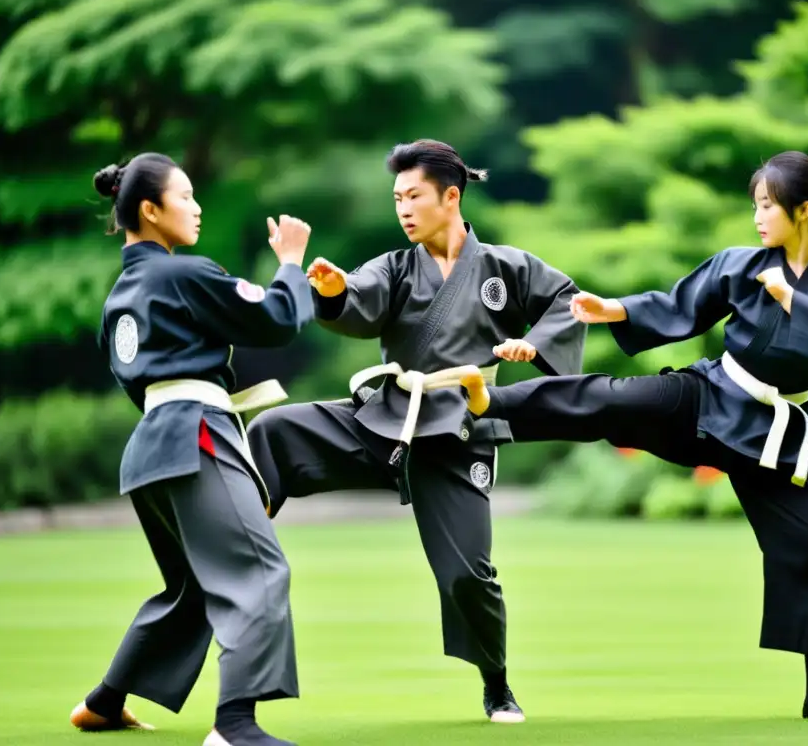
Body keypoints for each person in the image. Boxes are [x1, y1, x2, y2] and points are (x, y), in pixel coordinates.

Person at [459, 151, 808, 722]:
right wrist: (613, 310)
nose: (757, 217)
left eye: (767, 207)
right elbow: (684, 303)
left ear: (804, 211)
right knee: (607, 399)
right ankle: (485, 408)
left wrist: (790, 299)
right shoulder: (742, 263)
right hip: (711, 398)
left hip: (775, 436)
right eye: (754, 205)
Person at [246, 139, 587, 724]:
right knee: (278, 428)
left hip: (457, 432)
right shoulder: (394, 266)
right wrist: (331, 291)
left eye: (414, 196)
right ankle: (245, 525)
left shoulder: (506, 267)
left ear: (450, 197)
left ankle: (497, 685)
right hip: (388, 419)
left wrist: (535, 342)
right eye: (397, 198)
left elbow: (567, 299)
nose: (403, 209)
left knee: (466, 576)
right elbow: (358, 299)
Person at [68, 152, 316, 746]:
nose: (197, 207)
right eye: (185, 197)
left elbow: (140, 382)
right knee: (257, 572)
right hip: (196, 435)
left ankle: (104, 702)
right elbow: (278, 319)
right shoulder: (181, 274)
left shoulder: (118, 300)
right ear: (150, 211)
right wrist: (290, 263)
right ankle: (234, 726)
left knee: (194, 587)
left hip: (151, 448)